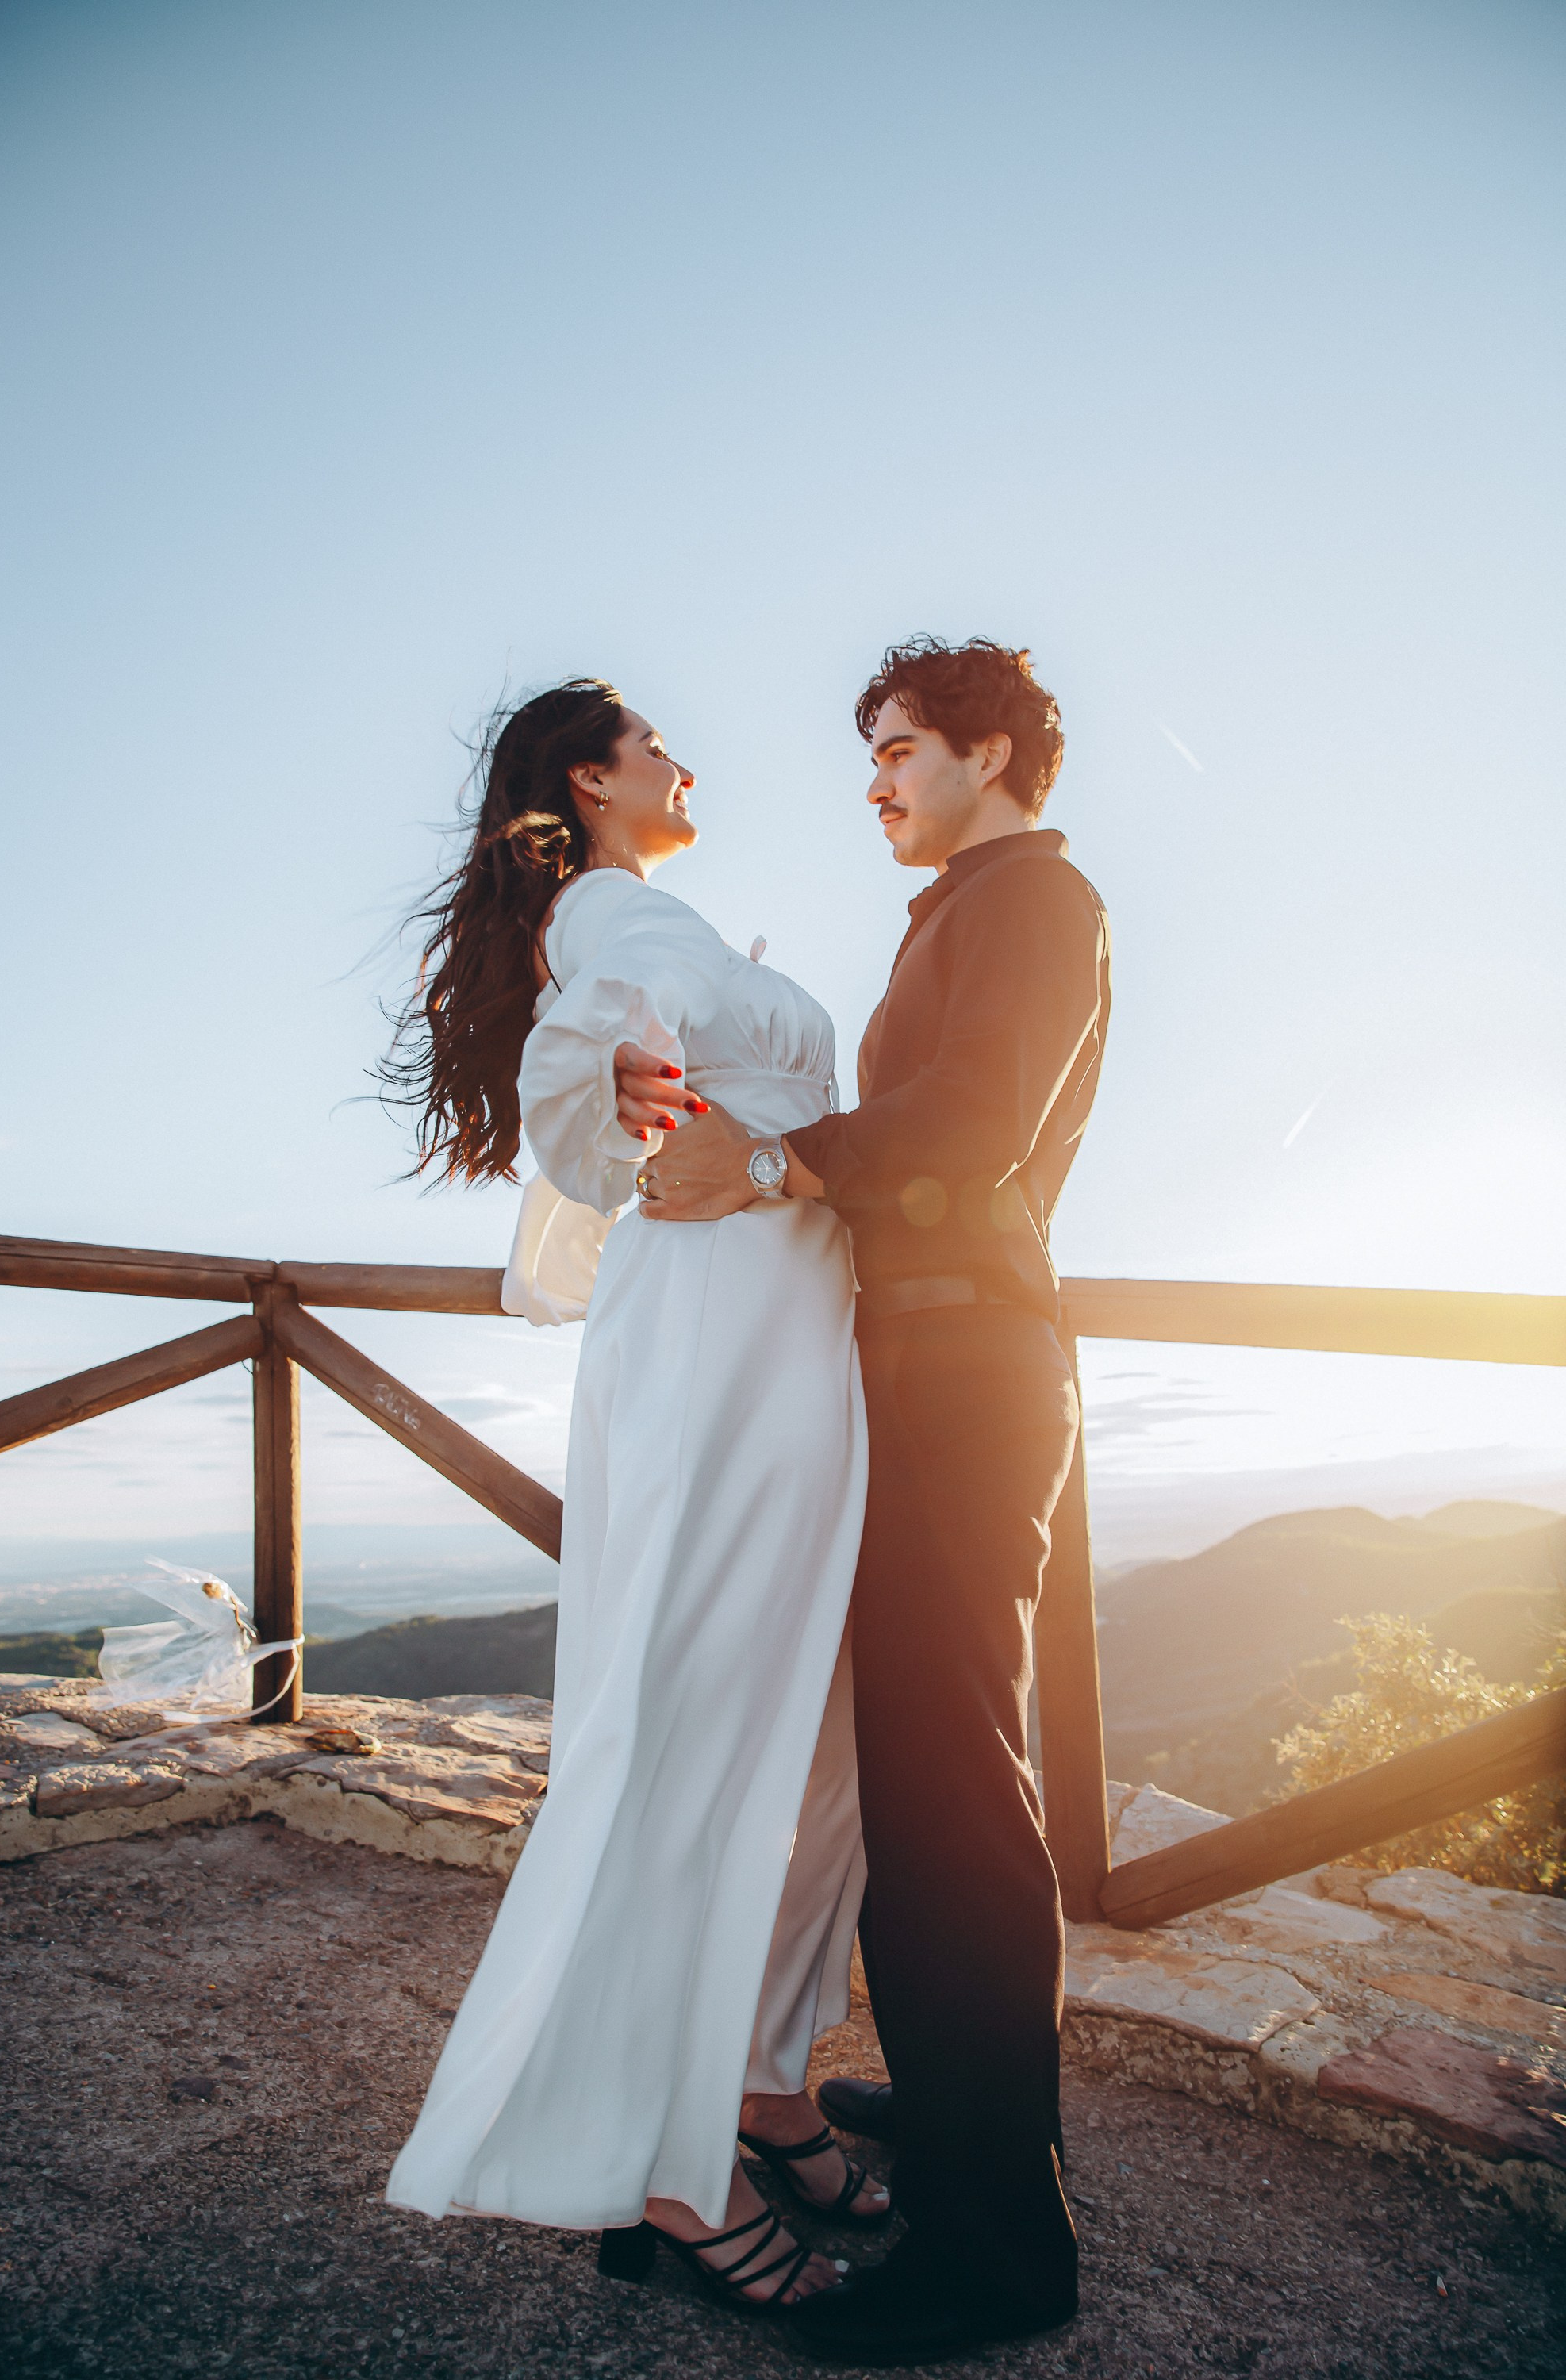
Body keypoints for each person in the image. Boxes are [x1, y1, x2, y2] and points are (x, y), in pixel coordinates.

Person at [616, 636, 1111, 2363]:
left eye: (898, 748)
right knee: (924, 1795)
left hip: (968, 1382)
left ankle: (997, 2257)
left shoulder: (1035, 900)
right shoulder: (962, 909)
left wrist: (760, 1163)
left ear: (988, 751)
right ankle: (980, 2125)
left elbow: (964, 1124)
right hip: (922, 1374)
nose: (877, 781)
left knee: (952, 1808)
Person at [382, 680, 889, 2313]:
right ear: (595, 785)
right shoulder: (624, 923)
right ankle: (669, 2176)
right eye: (654, 742)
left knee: (813, 1742)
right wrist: (611, 1120)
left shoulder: (654, 922)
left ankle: (757, 2085)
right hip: (725, 1361)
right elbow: (580, 1084)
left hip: (781, 1350)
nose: (684, 758)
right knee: (706, 1736)